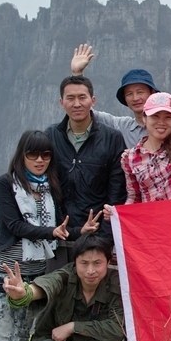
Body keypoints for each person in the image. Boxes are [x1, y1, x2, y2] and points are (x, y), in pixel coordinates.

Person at [0, 131, 100, 341]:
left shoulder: (51, 187)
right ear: (21, 155)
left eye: (45, 154)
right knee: (1, 340)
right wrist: (52, 232)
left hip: (36, 275)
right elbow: (14, 225)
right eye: (32, 154)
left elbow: (60, 230)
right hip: (6, 273)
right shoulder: (7, 184)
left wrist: (81, 231)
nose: (39, 160)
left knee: (21, 336)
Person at [1, 234, 123, 341]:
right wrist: (24, 293)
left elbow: (117, 328)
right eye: (84, 263)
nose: (90, 270)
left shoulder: (116, 283)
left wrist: (74, 327)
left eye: (97, 263)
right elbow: (48, 284)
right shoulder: (65, 276)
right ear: (75, 263)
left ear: (108, 262)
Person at [44, 75, 127, 271]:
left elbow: (117, 194)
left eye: (82, 97)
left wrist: (104, 240)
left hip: (97, 239)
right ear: (61, 102)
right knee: (58, 287)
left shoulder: (112, 138)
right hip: (60, 237)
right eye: (70, 98)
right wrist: (53, 229)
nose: (77, 104)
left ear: (93, 100)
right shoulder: (51, 136)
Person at [118, 23, 171, 203]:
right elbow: (134, 198)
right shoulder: (131, 158)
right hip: (154, 221)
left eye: (168, 117)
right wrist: (117, 213)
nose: (161, 122)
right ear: (145, 118)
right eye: (155, 116)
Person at [70, 44, 161, 148]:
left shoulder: (168, 125)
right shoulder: (122, 126)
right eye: (129, 94)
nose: (135, 98)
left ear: (152, 93)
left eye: (140, 92)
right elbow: (87, 112)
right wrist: (77, 74)